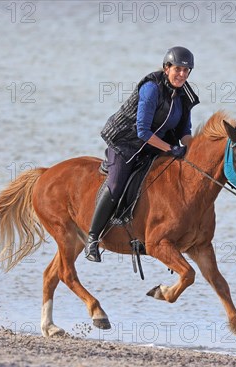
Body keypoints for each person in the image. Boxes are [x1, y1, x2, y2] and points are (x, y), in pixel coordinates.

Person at [85, 46, 200, 262]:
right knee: (117, 183)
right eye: (178, 69)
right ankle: (92, 238)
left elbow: (185, 132)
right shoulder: (151, 88)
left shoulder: (184, 95)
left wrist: (191, 151)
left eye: (187, 71)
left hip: (154, 146)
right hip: (126, 143)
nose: (182, 74)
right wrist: (170, 148)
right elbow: (142, 131)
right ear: (167, 68)